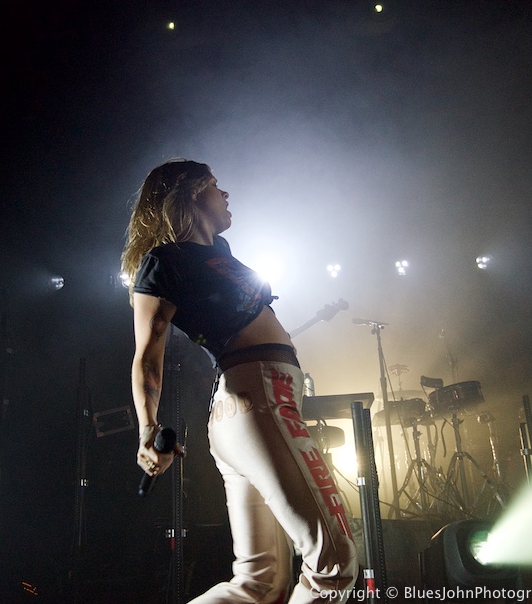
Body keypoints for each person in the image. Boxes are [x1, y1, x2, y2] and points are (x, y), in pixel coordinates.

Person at [121, 159, 357, 603]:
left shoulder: (220, 252)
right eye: (214, 185)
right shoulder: (163, 262)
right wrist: (147, 430)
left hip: (256, 403)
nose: (225, 194)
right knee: (334, 561)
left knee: (258, 584)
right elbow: (147, 358)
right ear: (189, 193)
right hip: (255, 398)